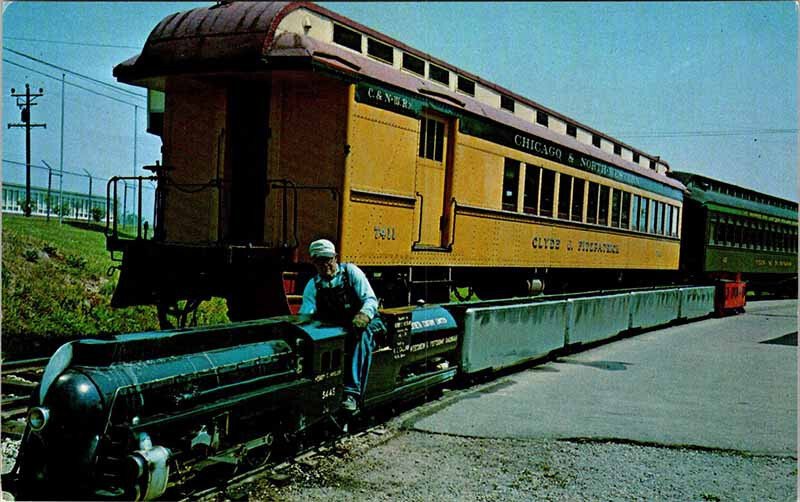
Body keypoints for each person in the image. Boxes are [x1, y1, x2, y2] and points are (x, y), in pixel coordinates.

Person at [299, 239, 384, 412]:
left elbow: (370, 299)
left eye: (328, 260)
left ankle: (352, 392)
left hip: (367, 322)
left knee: (363, 334)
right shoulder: (313, 285)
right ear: (313, 262)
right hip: (338, 326)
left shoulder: (351, 273)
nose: (325, 265)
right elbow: (306, 314)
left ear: (335, 258)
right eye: (320, 261)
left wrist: (363, 315)